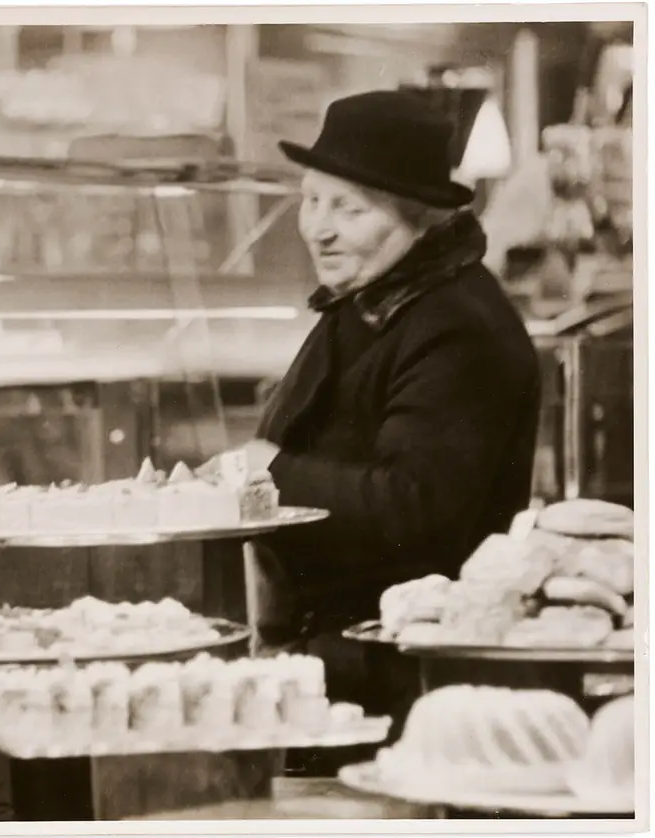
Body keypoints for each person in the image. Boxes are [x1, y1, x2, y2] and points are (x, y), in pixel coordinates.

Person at [229, 90, 542, 715]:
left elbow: (417, 510)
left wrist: (271, 473)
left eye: (348, 208)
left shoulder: (458, 327)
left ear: (417, 215)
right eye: (312, 200)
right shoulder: (369, 297)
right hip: (336, 673)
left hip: (412, 691)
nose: (319, 227)